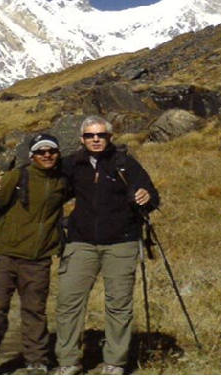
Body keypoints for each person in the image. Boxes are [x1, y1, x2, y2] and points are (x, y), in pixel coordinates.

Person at [54, 116, 159, 375]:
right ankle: (68, 362)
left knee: (119, 303)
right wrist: (5, 179)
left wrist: (146, 196)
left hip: (121, 243)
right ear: (82, 139)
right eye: (90, 135)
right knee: (68, 301)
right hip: (81, 242)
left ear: (109, 137)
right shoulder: (71, 164)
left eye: (101, 135)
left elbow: (152, 195)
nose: (96, 139)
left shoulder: (124, 163)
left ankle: (115, 362)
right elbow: (39, 175)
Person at [0, 133, 69, 375]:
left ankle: (36, 361)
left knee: (34, 311)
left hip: (38, 259)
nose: (47, 155)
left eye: (51, 151)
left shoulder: (64, 181)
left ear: (58, 153)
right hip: (4, 255)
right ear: (32, 155)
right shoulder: (17, 177)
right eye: (41, 151)